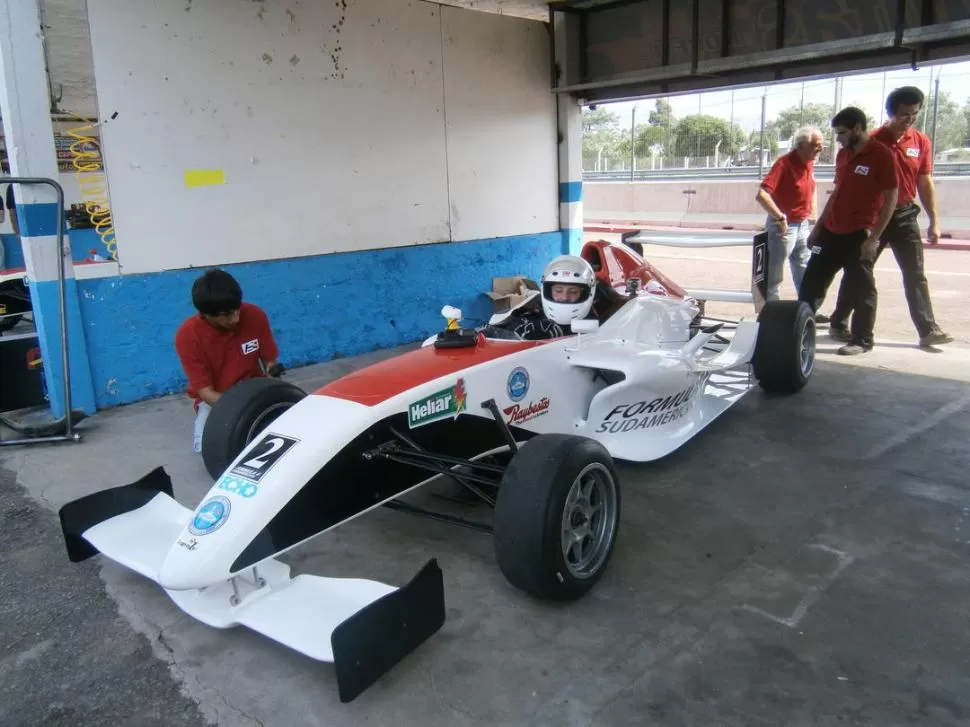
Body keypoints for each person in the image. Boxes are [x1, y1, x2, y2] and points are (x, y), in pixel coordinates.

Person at [825, 86, 953, 349]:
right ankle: (839, 320)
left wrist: (934, 221)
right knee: (860, 272)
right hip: (874, 218)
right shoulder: (871, 141)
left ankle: (928, 329)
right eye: (904, 114)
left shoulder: (920, 142)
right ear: (890, 113)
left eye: (914, 114)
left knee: (915, 273)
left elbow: (924, 181)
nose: (909, 120)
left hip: (905, 215)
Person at [798, 106, 898, 356]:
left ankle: (862, 339)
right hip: (832, 230)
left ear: (857, 128)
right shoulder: (843, 156)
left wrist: (874, 238)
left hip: (859, 232)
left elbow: (891, 197)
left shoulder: (881, 155)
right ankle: (799, 330)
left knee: (860, 288)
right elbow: (837, 194)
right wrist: (818, 227)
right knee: (811, 283)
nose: (838, 138)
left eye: (842, 132)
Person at [174, 268, 282, 453]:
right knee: (209, 452)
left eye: (237, 309)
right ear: (206, 314)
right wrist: (244, 411)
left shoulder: (255, 315)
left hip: (254, 391)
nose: (236, 318)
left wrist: (272, 375)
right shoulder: (188, 336)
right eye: (226, 315)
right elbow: (206, 393)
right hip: (216, 401)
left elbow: (269, 362)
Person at [755, 125, 824, 304]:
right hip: (784, 227)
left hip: (802, 226)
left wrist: (813, 211)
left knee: (804, 270)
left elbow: (812, 186)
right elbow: (762, 195)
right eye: (816, 144)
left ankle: (808, 309)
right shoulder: (784, 164)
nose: (820, 149)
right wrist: (780, 217)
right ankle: (771, 311)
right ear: (801, 145)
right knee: (774, 274)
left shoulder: (809, 163)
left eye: (822, 145)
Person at [506, 255, 601, 340]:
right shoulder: (535, 312)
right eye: (558, 291)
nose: (564, 297)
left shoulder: (596, 324)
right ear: (548, 291)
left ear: (585, 293)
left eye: (573, 291)